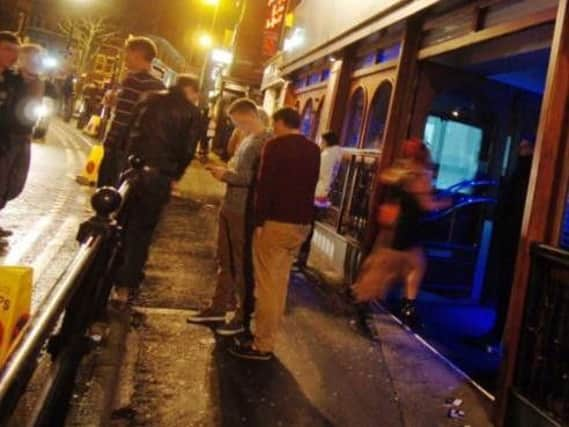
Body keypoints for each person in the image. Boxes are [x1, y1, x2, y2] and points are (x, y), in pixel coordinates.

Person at [229, 107, 320, 361]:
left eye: (275, 124)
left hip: (276, 222)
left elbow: (265, 186)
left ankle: (262, 344)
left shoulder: (275, 147)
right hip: (300, 225)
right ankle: (268, 339)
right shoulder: (313, 150)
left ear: (280, 123)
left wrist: (259, 222)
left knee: (267, 287)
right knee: (279, 286)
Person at [112, 75, 202, 305]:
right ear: (189, 90)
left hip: (132, 170)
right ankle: (126, 285)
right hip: (159, 176)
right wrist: (175, 175)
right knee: (142, 232)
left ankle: (109, 277)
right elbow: (187, 150)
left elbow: (127, 132)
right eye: (196, 93)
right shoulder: (191, 112)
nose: (196, 98)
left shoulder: (148, 99)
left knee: (121, 225)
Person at [187, 99, 272, 337]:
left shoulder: (264, 141)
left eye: (236, 121)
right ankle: (219, 306)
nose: (235, 126)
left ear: (247, 116)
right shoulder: (248, 139)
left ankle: (241, 315)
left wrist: (226, 174)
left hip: (243, 210)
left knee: (240, 262)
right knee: (225, 260)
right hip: (231, 205)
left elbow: (250, 178)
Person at [350, 138, 449, 332]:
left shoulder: (403, 168)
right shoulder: (420, 173)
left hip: (396, 226)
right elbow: (425, 204)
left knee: (410, 264)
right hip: (404, 227)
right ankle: (367, 306)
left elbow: (386, 178)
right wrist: (444, 203)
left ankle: (403, 307)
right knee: (390, 268)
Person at [97, 36, 165, 188]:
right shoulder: (159, 86)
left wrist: (110, 142)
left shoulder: (132, 81)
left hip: (120, 147)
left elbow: (124, 118)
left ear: (137, 55)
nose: (124, 58)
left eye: (127, 53)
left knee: (106, 190)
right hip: (140, 151)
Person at [0, 39, 44, 244]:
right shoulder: (12, 78)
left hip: (25, 134)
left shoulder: (38, 81)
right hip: (9, 136)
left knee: (16, 181)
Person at [297, 131, 343, 267]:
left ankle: (302, 257)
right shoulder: (336, 154)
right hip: (322, 193)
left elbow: (317, 173)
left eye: (322, 141)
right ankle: (303, 256)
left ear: (326, 142)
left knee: (307, 224)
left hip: (316, 192)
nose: (320, 143)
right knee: (310, 224)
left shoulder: (326, 155)